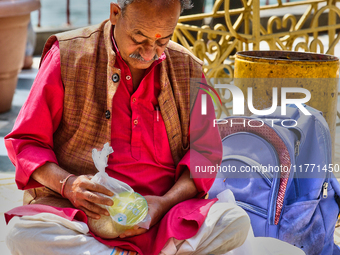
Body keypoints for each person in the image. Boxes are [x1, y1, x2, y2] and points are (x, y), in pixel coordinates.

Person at [4, 1, 251, 254]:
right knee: (23, 233)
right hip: (82, 215)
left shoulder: (188, 68)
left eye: (162, 41)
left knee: (234, 222)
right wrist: (69, 185)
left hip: (162, 218)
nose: (148, 54)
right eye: (139, 38)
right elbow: (26, 142)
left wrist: (163, 204)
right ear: (115, 13)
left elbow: (205, 156)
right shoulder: (68, 55)